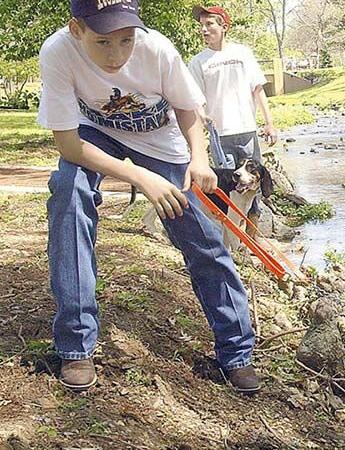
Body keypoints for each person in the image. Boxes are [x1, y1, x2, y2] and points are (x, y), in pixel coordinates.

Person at [38, 0, 260, 394]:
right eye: (103, 42)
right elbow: (69, 145)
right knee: (69, 192)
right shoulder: (57, 52)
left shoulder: (156, 47)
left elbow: (188, 108)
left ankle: (237, 350)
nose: (116, 55)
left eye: (125, 40)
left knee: (200, 236)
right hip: (92, 135)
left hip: (161, 142)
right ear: (77, 29)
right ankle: (76, 345)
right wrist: (140, 178)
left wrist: (199, 159)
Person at [188, 5, 277, 235]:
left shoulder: (242, 53)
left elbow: (258, 89)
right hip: (220, 135)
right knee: (228, 188)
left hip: (247, 129)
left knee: (253, 185)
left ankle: (253, 239)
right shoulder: (198, 62)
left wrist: (269, 123)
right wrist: (201, 114)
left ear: (224, 27)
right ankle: (231, 238)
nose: (204, 30)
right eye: (202, 26)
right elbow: (194, 98)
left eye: (210, 24)